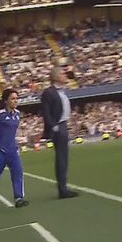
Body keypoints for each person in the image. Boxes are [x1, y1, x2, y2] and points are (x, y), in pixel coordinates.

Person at [0, 88, 29, 209]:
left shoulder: (18, 114)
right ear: (6, 101)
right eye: (12, 98)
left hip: (13, 150)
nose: (15, 101)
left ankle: (19, 198)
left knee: (18, 173)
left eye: (17, 98)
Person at [41, 67, 79, 199]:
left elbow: (73, 76)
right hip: (58, 127)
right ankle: (63, 190)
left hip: (63, 125)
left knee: (64, 158)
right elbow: (45, 112)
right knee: (62, 158)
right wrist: (54, 127)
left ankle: (63, 188)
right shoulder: (49, 92)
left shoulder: (61, 91)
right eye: (62, 74)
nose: (65, 76)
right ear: (56, 77)